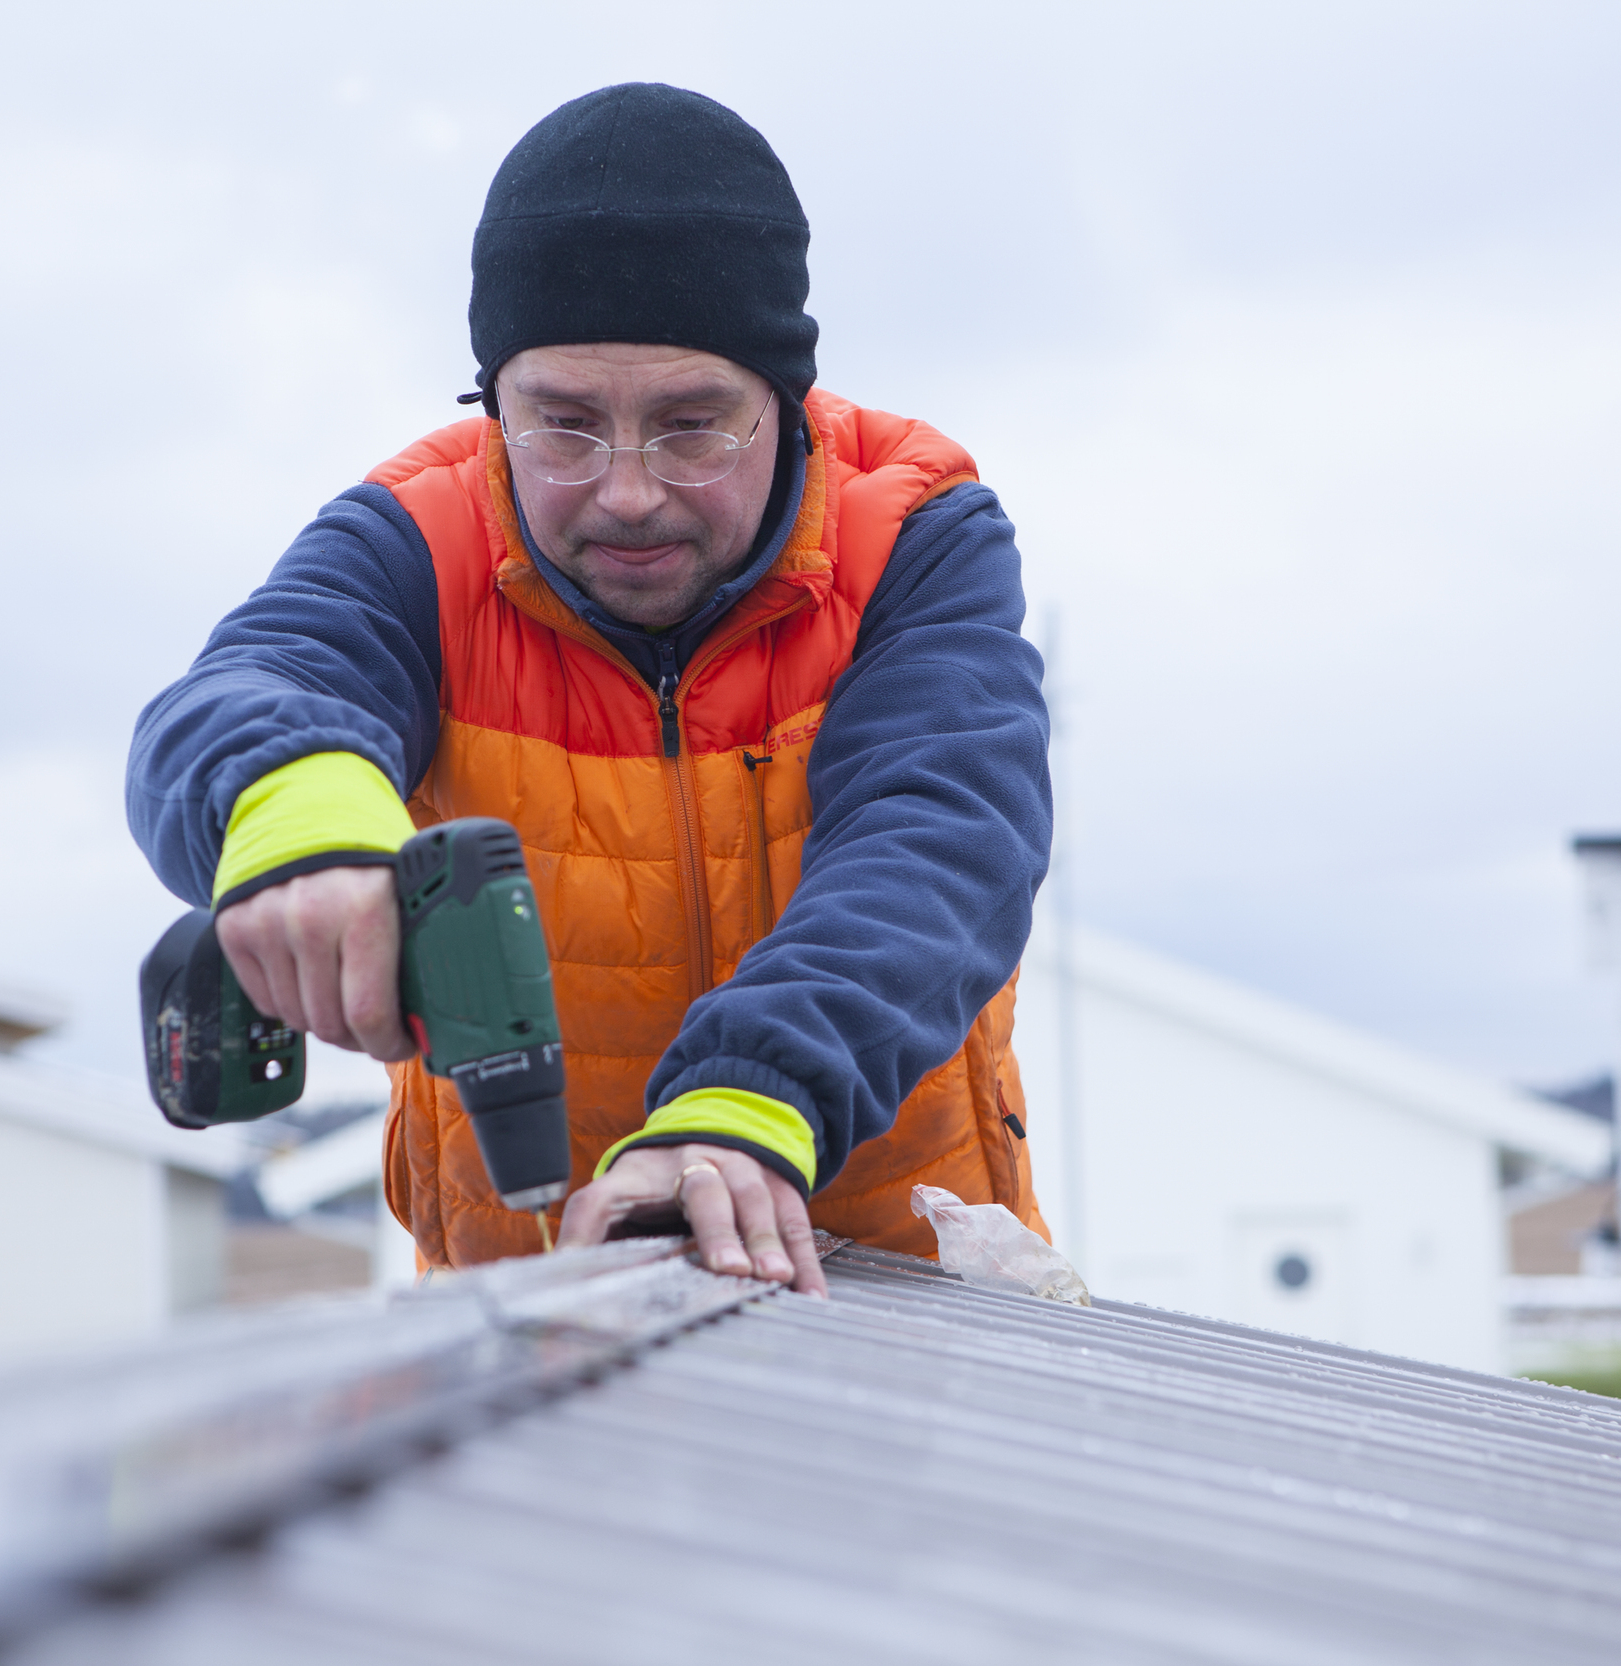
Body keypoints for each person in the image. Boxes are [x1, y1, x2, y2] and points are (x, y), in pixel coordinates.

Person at [128, 83, 1051, 1296]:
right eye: (561, 426)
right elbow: (256, 679)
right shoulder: (419, 539)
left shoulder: (913, 538)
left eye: (690, 427)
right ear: (490, 403)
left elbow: (937, 838)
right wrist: (294, 815)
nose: (624, 491)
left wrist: (745, 1099)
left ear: (788, 404)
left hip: (900, 1291)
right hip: (526, 1320)